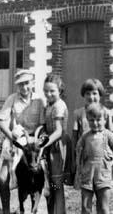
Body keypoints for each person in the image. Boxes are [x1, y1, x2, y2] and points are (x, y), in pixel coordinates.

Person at [0, 69, 45, 214]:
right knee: (3, 178)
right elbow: (0, 121)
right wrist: (12, 137)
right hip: (16, 142)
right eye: (21, 84)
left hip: (34, 145)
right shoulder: (12, 99)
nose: (24, 88)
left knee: (46, 176)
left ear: (33, 83)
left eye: (27, 83)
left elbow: (42, 126)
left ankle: (38, 209)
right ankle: (6, 211)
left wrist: (38, 141)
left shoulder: (39, 101)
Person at [74, 103, 113, 214]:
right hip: (87, 176)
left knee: (103, 207)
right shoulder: (85, 136)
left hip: (104, 176)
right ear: (87, 120)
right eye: (91, 120)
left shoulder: (108, 135)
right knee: (86, 207)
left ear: (105, 119)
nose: (95, 123)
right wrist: (79, 170)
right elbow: (78, 152)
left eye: (98, 120)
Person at [41, 74, 69, 214]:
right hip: (49, 146)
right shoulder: (49, 105)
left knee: (57, 184)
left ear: (60, 90)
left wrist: (44, 144)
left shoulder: (59, 106)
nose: (48, 94)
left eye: (52, 91)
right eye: (46, 91)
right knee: (49, 183)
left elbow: (58, 131)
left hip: (57, 147)